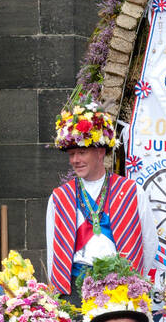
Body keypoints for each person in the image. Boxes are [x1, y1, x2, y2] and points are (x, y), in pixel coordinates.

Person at [47, 99, 159, 294]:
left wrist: (133, 280)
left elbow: (149, 242)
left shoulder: (132, 191)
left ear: (99, 152)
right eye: (71, 154)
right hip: (75, 288)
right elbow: (53, 253)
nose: (75, 160)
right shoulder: (59, 197)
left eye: (81, 152)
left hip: (121, 286)